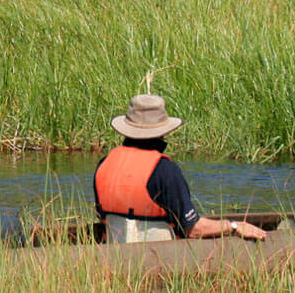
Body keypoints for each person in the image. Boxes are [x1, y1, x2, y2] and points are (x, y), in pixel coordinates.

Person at [93, 93, 269, 244]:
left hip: (115, 257)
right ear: (162, 131)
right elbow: (193, 230)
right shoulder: (164, 170)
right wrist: (234, 226)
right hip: (160, 260)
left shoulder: (104, 164)